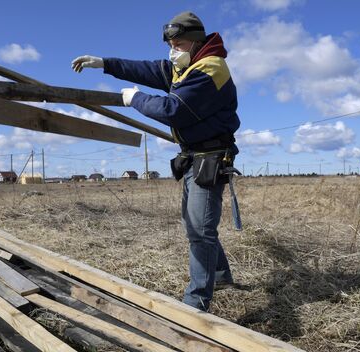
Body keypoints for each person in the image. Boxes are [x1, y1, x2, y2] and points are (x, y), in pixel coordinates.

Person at [71, 11, 240, 312]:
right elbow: (146, 69)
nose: (172, 51)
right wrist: (105, 63)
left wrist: (134, 99)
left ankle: (196, 302)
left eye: (178, 44)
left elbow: (173, 110)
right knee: (196, 224)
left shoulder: (211, 68)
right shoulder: (185, 67)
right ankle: (219, 274)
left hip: (209, 158)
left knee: (200, 230)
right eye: (170, 45)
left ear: (196, 42)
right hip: (193, 157)